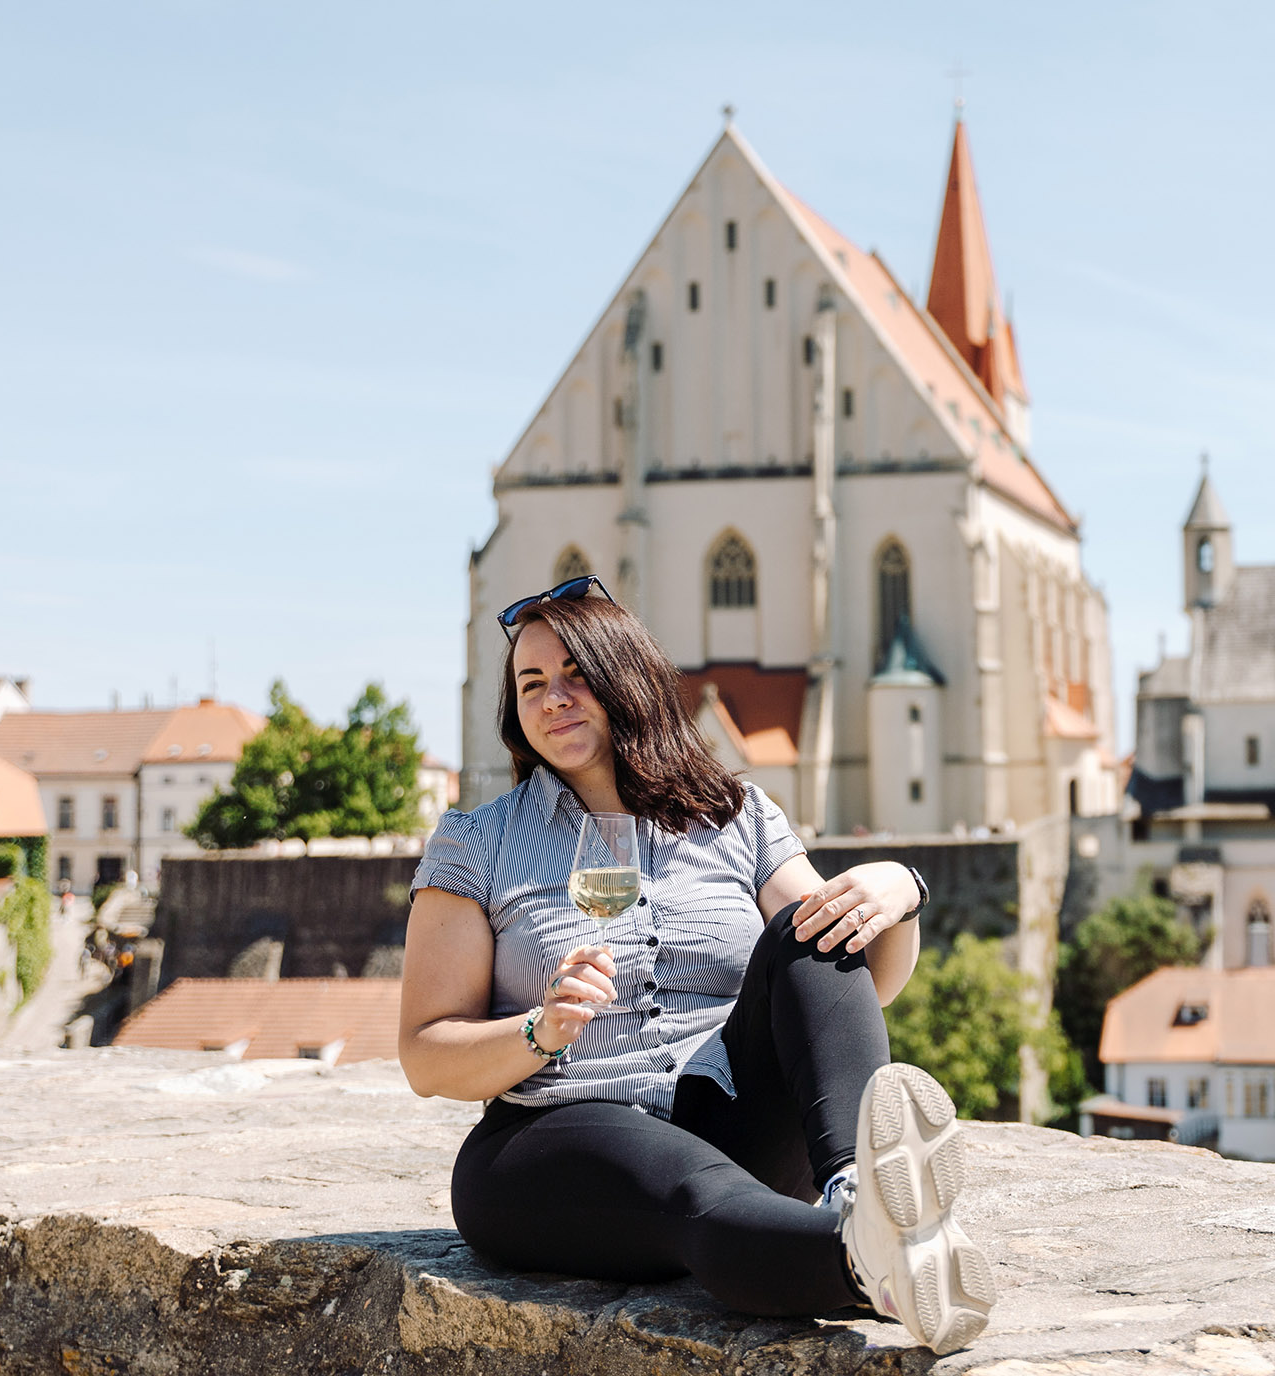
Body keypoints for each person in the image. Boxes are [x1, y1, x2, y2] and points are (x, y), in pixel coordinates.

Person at [398, 576, 994, 1353]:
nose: (554, 699)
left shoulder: (736, 815)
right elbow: (425, 1056)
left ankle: (857, 1192)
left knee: (808, 929)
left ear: (627, 677)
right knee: (694, 1194)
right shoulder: (478, 842)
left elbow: (850, 982)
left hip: (726, 1111)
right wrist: (539, 1031)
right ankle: (866, 1264)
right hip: (557, 1135)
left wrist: (899, 893)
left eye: (576, 674)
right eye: (532, 683)